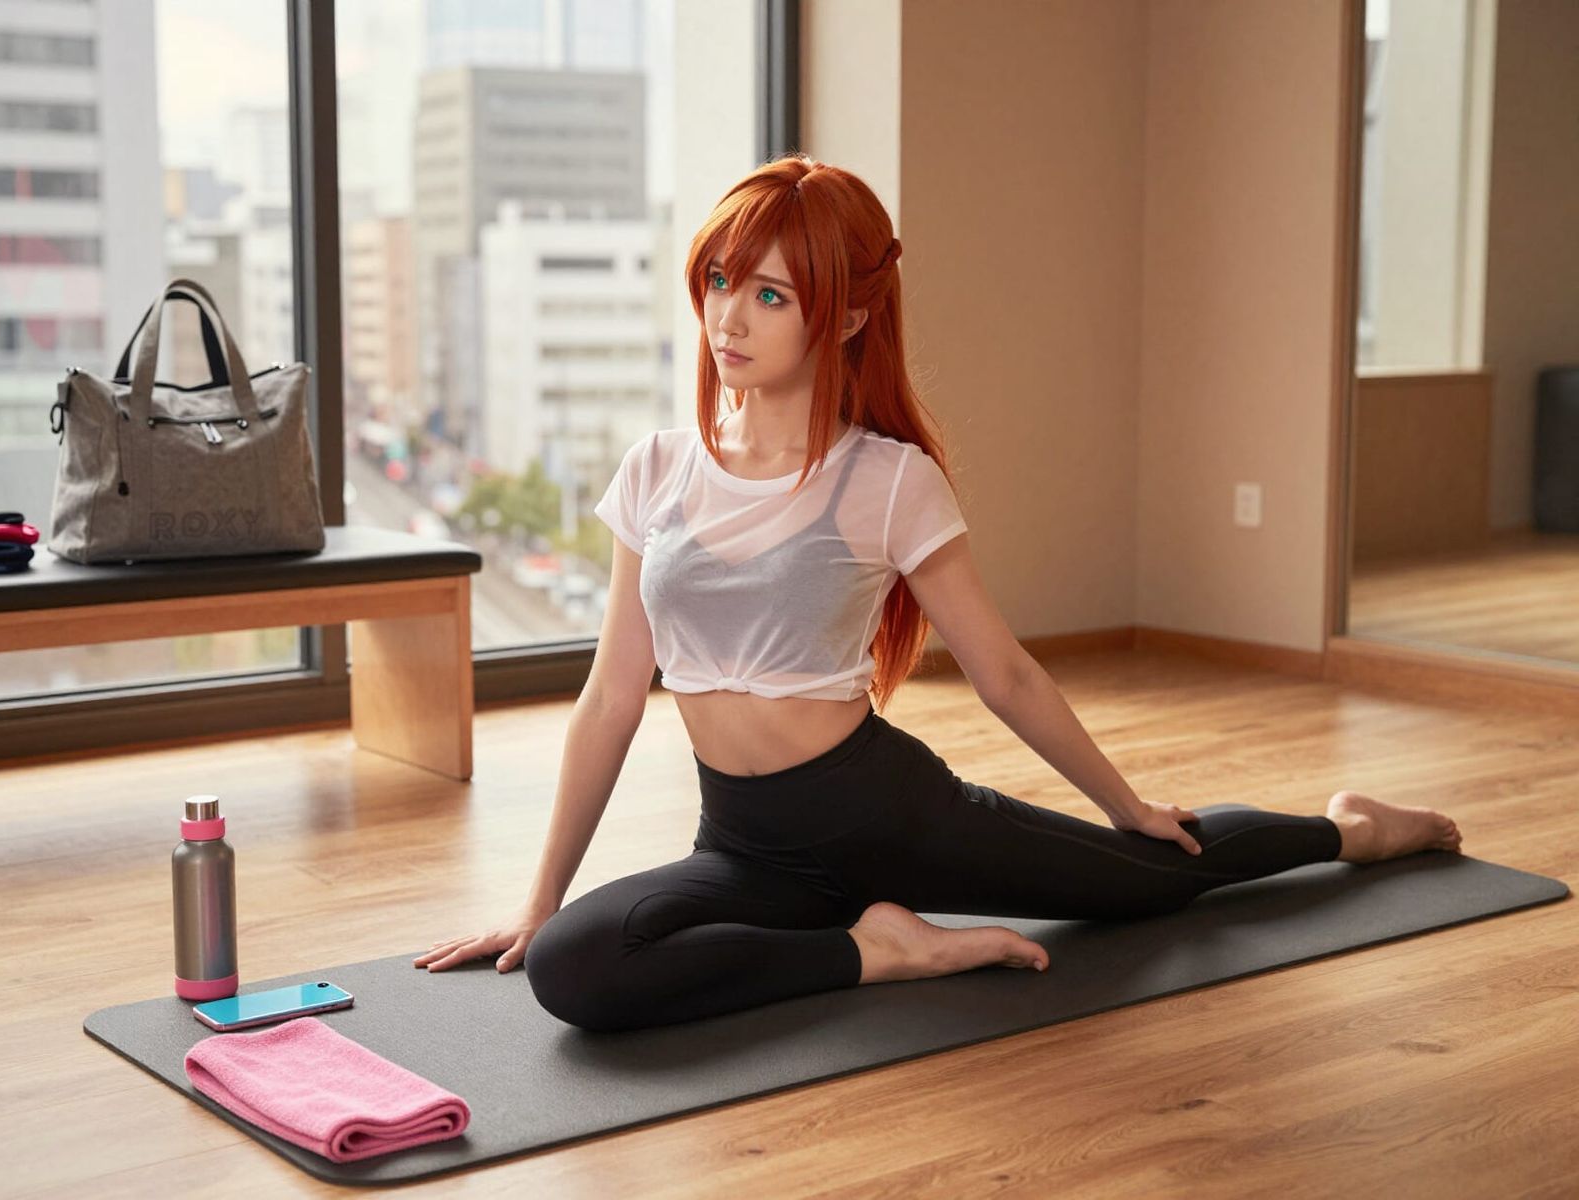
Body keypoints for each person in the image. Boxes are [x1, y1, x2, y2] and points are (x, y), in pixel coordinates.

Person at [414, 154, 1463, 1032]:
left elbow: (1004, 673)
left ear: (847, 316)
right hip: (744, 844)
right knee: (576, 967)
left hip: (890, 816)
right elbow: (611, 696)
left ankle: (1351, 830)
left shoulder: (886, 480)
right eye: (721, 279)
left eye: (771, 295)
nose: (728, 316)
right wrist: (540, 904)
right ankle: (876, 953)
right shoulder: (655, 469)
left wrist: (1126, 806)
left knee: (1153, 878)